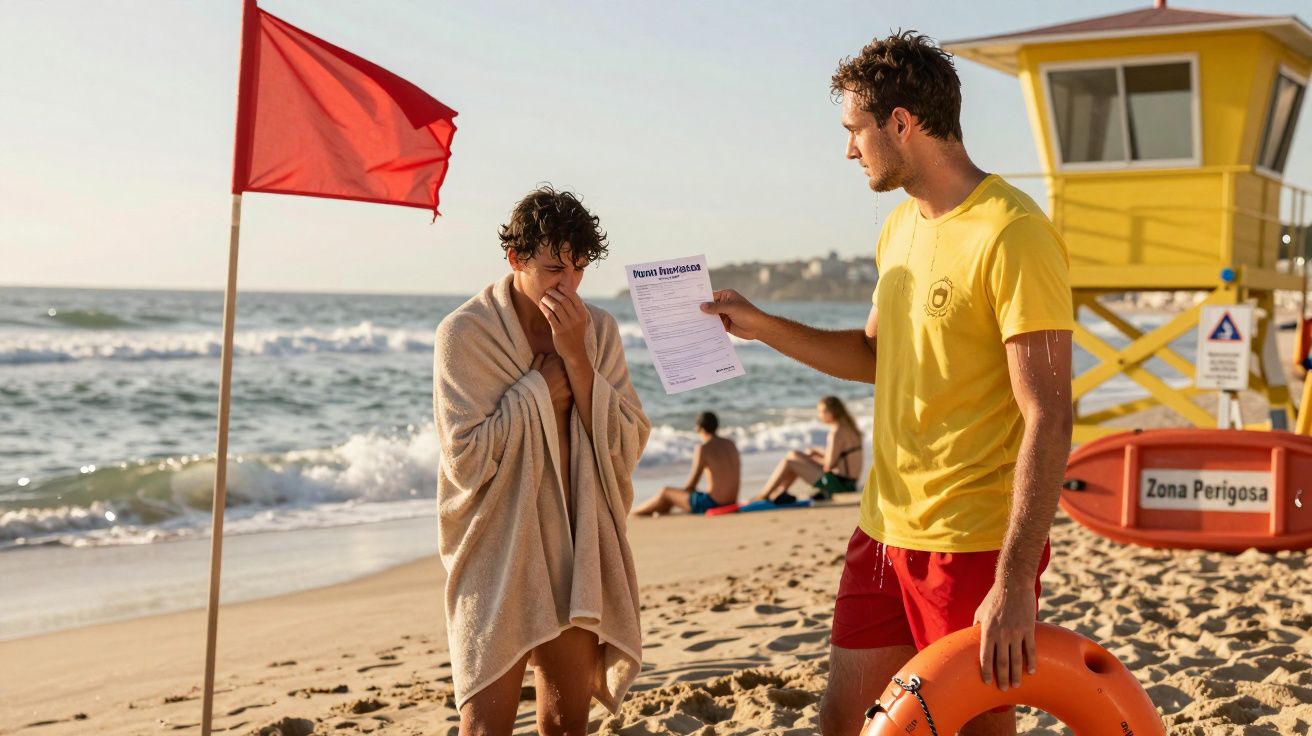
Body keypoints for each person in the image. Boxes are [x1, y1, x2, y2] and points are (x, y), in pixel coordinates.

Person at [700, 32, 1074, 736]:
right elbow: (875, 356)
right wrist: (759, 324)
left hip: (970, 546)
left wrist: (1016, 580)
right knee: (844, 725)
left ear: (900, 122)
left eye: (854, 131)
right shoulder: (898, 228)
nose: (849, 150)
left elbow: (1049, 416)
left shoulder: (1014, 233)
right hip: (881, 532)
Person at [433, 186, 651, 736]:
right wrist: (537, 392)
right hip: (497, 544)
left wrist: (575, 356)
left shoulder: (597, 332)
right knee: (484, 726)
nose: (568, 284)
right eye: (554, 267)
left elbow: (628, 438)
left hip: (576, 537)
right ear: (516, 259)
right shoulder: (465, 334)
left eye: (579, 269)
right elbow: (465, 460)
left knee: (565, 723)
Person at [753, 396, 863, 503]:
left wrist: (814, 458)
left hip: (840, 486)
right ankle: (780, 492)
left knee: (789, 462)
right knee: (794, 454)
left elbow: (829, 466)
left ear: (831, 412)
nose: (820, 415)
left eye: (822, 411)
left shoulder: (837, 432)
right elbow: (841, 459)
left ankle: (764, 495)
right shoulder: (849, 428)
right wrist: (818, 454)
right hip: (848, 483)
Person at [632, 411, 740, 516]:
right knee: (672, 497)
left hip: (712, 504)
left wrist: (680, 494)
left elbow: (691, 485)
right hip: (731, 502)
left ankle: (634, 513)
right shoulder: (730, 444)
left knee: (665, 492)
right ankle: (658, 510)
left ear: (699, 428)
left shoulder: (704, 448)